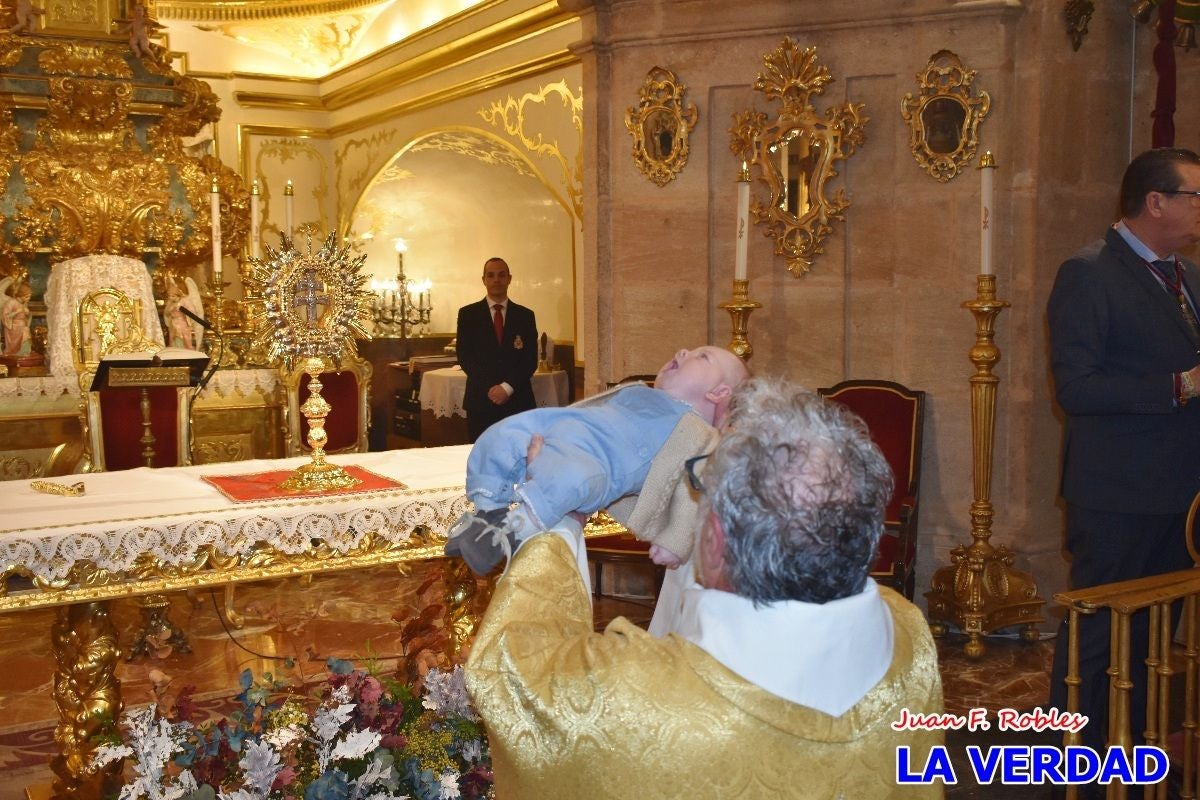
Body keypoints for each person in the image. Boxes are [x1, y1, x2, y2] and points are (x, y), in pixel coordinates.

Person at [464, 378, 944, 799]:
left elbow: (513, 673)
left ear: (714, 541)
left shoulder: (617, 701)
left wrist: (558, 521)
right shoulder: (908, 633)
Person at [1047, 147, 1200, 755]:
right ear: (1155, 201)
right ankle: (1067, 767)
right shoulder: (1088, 273)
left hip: (1180, 494)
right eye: (1195, 196)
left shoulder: (1187, 274)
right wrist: (1179, 386)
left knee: (1155, 641)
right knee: (1099, 639)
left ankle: (1135, 757)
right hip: (1117, 495)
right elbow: (1076, 389)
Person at [444, 345, 748, 577]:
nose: (683, 351)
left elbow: (691, 491)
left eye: (702, 356)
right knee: (502, 434)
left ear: (718, 393)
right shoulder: (641, 391)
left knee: (571, 479)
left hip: (596, 464)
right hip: (562, 427)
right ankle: (488, 511)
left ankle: (508, 534)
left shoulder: (698, 431)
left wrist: (675, 541)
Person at [455, 257, 538, 442]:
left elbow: (530, 359)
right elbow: (465, 356)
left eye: (501, 275)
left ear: (509, 278)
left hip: (518, 400)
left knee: (520, 455)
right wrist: (492, 389)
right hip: (481, 401)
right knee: (482, 458)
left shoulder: (525, 316)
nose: (496, 280)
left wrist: (507, 388)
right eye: (490, 275)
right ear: (483, 280)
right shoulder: (468, 315)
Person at [1, 275, 33, 357]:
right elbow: (5, 316)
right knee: (22, 332)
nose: (28, 299)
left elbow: (28, 317)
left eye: (29, 296)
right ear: (21, 295)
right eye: (26, 296)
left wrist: (28, 314)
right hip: (13, 327)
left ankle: (23, 352)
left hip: (23, 326)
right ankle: (13, 352)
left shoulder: (23, 304)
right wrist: (16, 312)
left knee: (26, 334)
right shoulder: (11, 302)